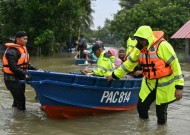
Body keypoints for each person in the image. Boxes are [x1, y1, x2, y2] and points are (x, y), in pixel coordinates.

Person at [107, 25, 184, 125]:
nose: (141, 42)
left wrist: (179, 87)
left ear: (148, 38)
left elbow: (176, 65)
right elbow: (128, 64)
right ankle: (143, 129)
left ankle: (161, 130)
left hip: (165, 84)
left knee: (160, 113)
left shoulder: (163, 46)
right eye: (139, 40)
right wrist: (114, 75)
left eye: (143, 40)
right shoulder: (139, 49)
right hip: (149, 83)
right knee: (141, 107)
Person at [2, 31, 41, 111]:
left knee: (17, 100)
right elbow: (13, 67)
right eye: (24, 39)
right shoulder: (12, 51)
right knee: (21, 102)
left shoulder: (22, 49)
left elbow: (25, 64)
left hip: (19, 78)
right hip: (11, 79)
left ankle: (15, 115)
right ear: (17, 39)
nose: (26, 40)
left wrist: (36, 70)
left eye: (26, 39)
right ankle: (20, 120)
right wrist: (25, 73)